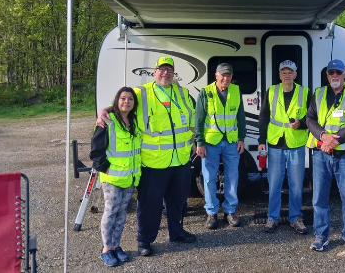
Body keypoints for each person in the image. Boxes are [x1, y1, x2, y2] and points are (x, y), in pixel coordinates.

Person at [97, 56, 196, 257]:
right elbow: (120, 104)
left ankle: (176, 232)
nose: (165, 73)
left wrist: (193, 140)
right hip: (153, 161)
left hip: (181, 159)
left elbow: (191, 118)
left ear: (173, 72)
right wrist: (104, 110)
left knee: (178, 200)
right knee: (150, 203)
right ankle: (145, 240)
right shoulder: (141, 92)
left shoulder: (183, 92)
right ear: (155, 71)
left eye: (169, 69)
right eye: (162, 69)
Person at [306, 59, 345, 252]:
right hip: (321, 154)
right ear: (327, 75)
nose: (334, 76)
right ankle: (321, 237)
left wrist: (336, 139)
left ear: (344, 74)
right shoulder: (319, 93)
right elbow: (310, 118)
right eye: (331, 72)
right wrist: (323, 137)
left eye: (338, 72)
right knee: (319, 198)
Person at [90, 87, 141, 267]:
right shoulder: (107, 120)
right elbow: (96, 151)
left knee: (121, 214)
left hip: (130, 178)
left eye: (130, 99)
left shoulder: (135, 121)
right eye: (123, 98)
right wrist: (105, 169)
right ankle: (106, 249)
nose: (126, 102)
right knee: (110, 212)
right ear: (117, 101)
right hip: (112, 178)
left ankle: (116, 245)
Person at [258, 60, 311, 234]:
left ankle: (295, 218)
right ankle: (272, 218)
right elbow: (264, 116)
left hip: (296, 143)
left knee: (296, 184)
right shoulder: (272, 91)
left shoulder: (305, 92)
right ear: (279, 75)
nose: (287, 75)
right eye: (284, 72)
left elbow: (312, 117)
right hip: (275, 144)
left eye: (290, 72)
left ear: (296, 75)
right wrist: (261, 140)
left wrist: (301, 124)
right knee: (274, 183)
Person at [195, 63, 246, 230]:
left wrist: (241, 138)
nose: (226, 78)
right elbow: (199, 120)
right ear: (216, 75)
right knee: (209, 178)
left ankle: (230, 211)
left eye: (228, 75)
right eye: (223, 75)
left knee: (233, 177)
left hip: (231, 141)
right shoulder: (206, 92)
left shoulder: (236, 90)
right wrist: (200, 142)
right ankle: (211, 213)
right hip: (211, 143)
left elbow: (240, 116)